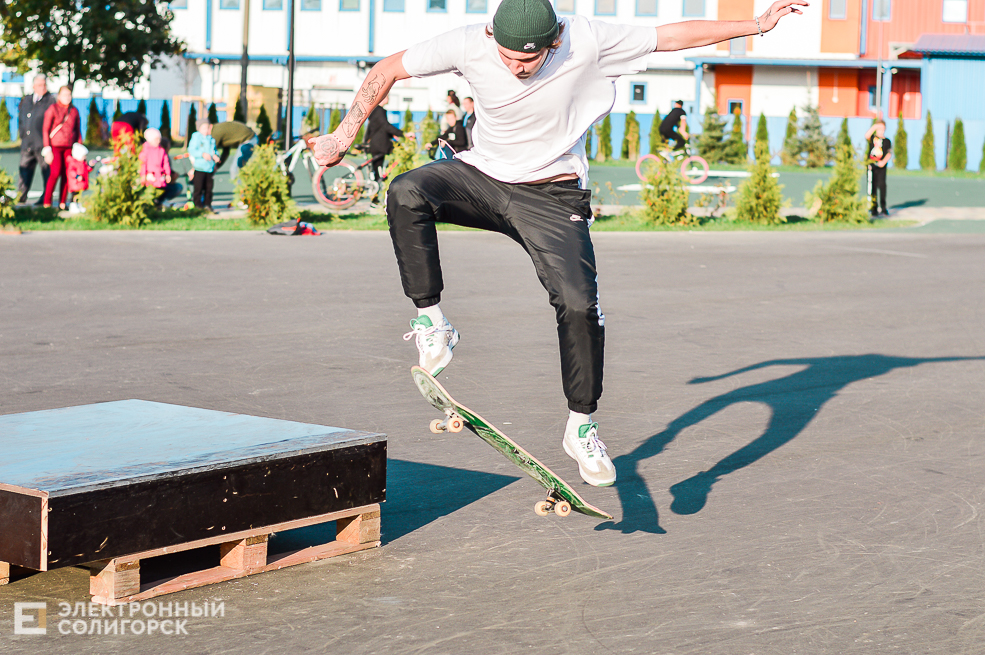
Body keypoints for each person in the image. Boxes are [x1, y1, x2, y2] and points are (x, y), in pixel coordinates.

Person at [312, 0, 806, 487]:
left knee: (578, 305)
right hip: (482, 177)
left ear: (554, 42)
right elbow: (388, 68)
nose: (518, 67)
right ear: (491, 37)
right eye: (508, 57)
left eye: (529, 59)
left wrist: (756, 25)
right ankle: (433, 322)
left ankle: (581, 427)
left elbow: (671, 35)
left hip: (552, 193)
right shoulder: (469, 41)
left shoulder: (587, 40)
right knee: (406, 191)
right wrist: (342, 133)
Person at [41, 86, 82, 209]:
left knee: (67, 174)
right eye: (64, 95)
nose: (67, 97)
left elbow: (77, 130)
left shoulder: (74, 110)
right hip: (55, 146)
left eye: (69, 94)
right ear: (59, 96)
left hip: (68, 147)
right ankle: (47, 202)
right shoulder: (52, 109)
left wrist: (79, 146)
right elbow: (45, 130)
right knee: (55, 172)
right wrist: (47, 148)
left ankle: (62, 202)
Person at [17, 74, 56, 204]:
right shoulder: (27, 100)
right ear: (33, 86)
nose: (42, 87)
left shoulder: (50, 100)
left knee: (46, 172)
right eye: (39, 85)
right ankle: (20, 197)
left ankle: (45, 199)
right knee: (24, 171)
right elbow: (21, 118)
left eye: (44, 85)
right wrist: (23, 133)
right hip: (27, 143)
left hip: (42, 144)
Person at [363, 95, 404, 185]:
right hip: (379, 144)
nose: (389, 99)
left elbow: (380, 127)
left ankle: (376, 188)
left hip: (377, 143)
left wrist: (392, 134)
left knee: (377, 166)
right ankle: (380, 181)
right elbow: (385, 126)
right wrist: (402, 134)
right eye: (387, 97)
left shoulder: (375, 110)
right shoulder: (379, 110)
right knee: (399, 152)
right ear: (382, 98)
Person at [187, 119, 219, 211]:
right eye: (204, 128)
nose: (206, 130)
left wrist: (216, 156)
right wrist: (202, 154)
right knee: (198, 188)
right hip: (199, 167)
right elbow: (192, 149)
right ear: (199, 129)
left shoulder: (211, 139)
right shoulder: (196, 137)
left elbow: (214, 151)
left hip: (209, 168)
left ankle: (207, 205)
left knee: (209, 188)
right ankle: (197, 206)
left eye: (207, 128)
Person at [864, 120, 892, 217]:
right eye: (878, 128)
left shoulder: (887, 141)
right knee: (873, 187)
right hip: (872, 166)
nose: (881, 131)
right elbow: (866, 135)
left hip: (881, 167)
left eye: (882, 128)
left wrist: (883, 162)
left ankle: (883, 208)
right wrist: (875, 127)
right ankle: (873, 208)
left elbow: (889, 153)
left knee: (882, 186)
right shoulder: (873, 138)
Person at [138, 128, 173, 205]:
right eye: (156, 139)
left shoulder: (161, 150)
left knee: (161, 190)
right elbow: (143, 163)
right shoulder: (145, 150)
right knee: (150, 191)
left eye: (159, 139)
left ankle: (158, 203)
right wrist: (143, 175)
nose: (158, 141)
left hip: (159, 176)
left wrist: (167, 174)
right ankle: (149, 204)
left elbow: (165, 163)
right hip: (150, 176)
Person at [65, 142, 93, 213]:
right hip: (75, 183)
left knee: (79, 195)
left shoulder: (83, 163)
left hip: (81, 183)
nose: (85, 157)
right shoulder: (73, 163)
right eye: (84, 156)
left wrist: (91, 165)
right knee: (75, 195)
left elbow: (87, 169)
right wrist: (77, 176)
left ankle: (78, 205)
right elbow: (71, 172)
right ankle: (73, 205)